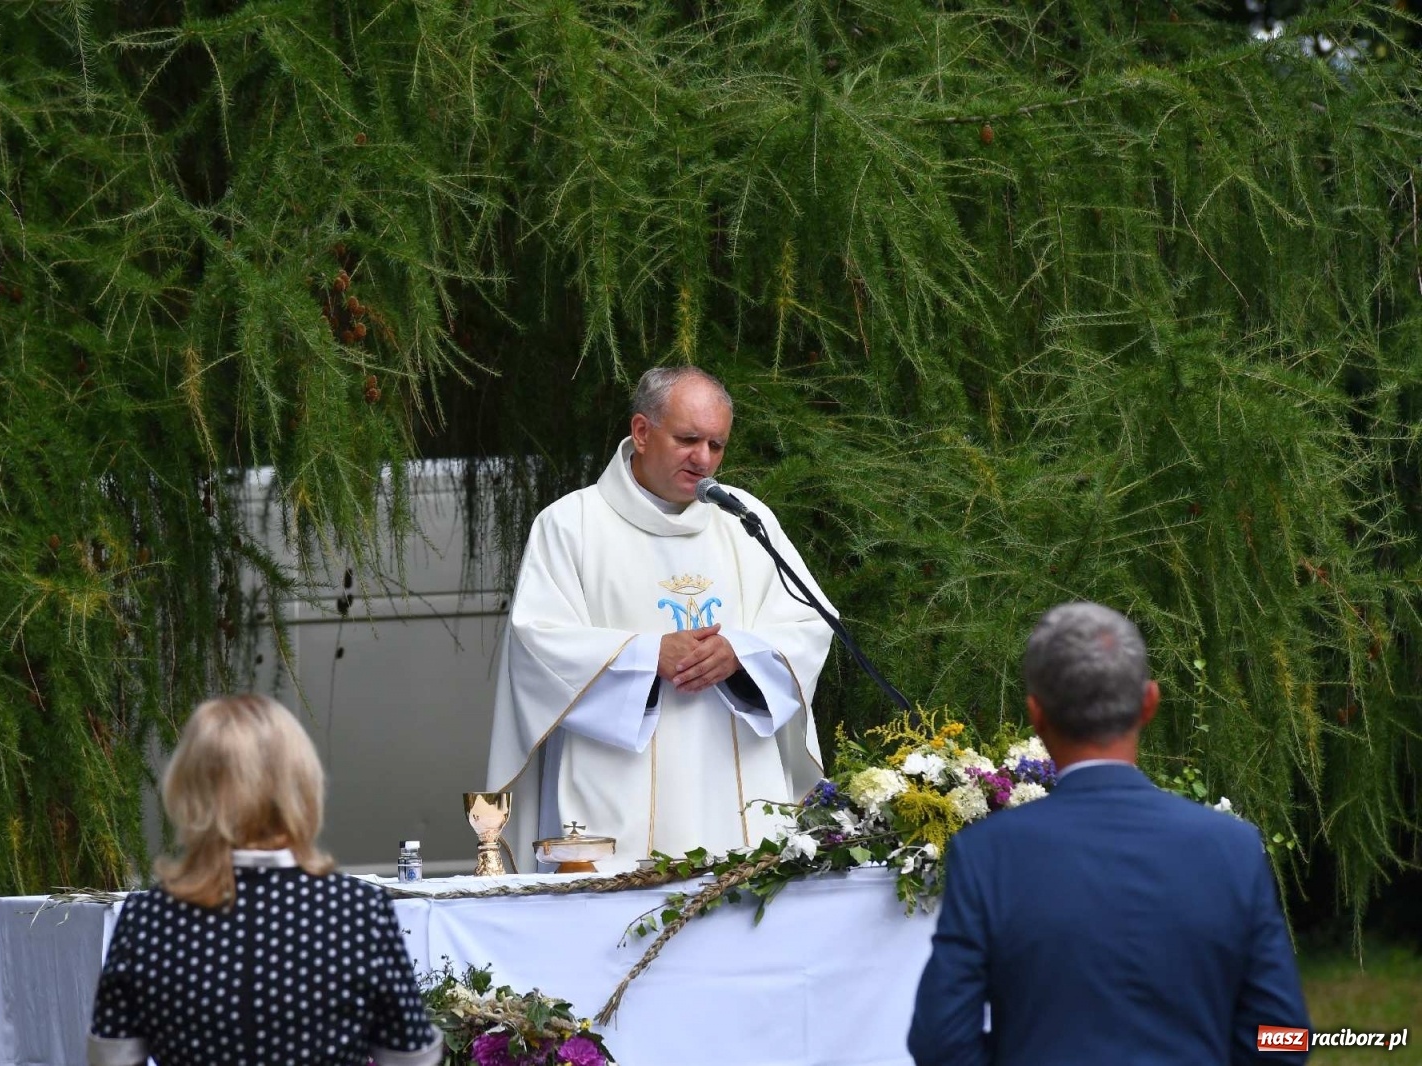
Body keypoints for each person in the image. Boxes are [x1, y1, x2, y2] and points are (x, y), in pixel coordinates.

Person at [908, 602, 1311, 1065]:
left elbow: (940, 1042)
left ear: (1036, 715)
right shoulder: (1233, 848)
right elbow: (1285, 1035)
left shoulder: (986, 853)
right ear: (1149, 702)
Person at [486, 366, 835, 871]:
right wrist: (649, 655)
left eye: (717, 445)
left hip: (738, 791)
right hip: (612, 790)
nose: (705, 459)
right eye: (689, 439)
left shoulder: (746, 522)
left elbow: (810, 623)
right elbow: (538, 646)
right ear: (643, 432)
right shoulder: (571, 524)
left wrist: (742, 652)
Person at [87, 694, 442, 1066]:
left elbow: (110, 1058)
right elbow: (411, 1058)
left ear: (188, 789)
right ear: (302, 786)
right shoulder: (358, 912)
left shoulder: (148, 919)